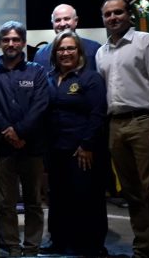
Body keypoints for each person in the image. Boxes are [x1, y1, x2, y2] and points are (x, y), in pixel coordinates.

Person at [96, 0, 149, 258]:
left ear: (128, 14)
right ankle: (142, 248)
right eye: (108, 14)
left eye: (118, 12)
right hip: (115, 126)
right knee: (131, 192)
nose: (113, 18)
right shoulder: (101, 52)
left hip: (144, 122)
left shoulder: (146, 42)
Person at [0, 20, 49, 257]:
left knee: (33, 201)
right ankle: (11, 245)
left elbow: (40, 105)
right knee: (6, 203)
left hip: (32, 147)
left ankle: (31, 247)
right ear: (0, 43)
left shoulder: (37, 71)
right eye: (6, 40)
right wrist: (9, 132)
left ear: (22, 42)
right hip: (3, 148)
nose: (11, 44)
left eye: (15, 39)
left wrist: (20, 132)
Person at [41, 30, 109, 256]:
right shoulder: (48, 78)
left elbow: (97, 113)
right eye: (61, 49)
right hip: (55, 150)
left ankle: (91, 245)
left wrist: (87, 145)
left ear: (79, 52)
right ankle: (59, 242)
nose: (65, 53)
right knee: (59, 198)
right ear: (54, 53)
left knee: (87, 198)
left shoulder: (90, 78)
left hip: (81, 150)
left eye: (70, 48)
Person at [33, 4, 102, 72]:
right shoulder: (40, 55)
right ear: (52, 23)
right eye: (58, 20)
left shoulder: (95, 50)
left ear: (76, 21)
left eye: (66, 19)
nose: (62, 24)